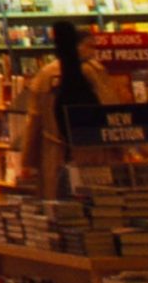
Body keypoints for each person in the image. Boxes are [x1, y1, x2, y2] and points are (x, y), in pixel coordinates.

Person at [16, 18, 112, 197]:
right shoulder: (95, 72)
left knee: (59, 204)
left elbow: (34, 121)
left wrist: (28, 161)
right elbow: (112, 112)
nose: (94, 52)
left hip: (56, 153)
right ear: (77, 45)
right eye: (89, 46)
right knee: (95, 205)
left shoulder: (46, 73)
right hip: (90, 153)